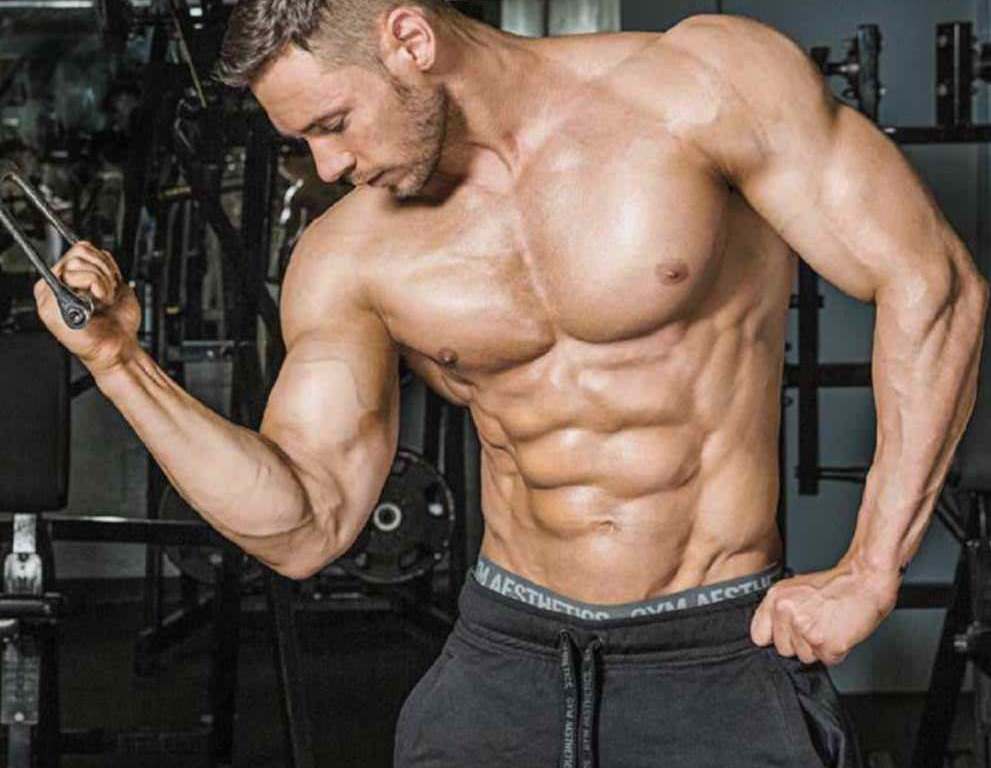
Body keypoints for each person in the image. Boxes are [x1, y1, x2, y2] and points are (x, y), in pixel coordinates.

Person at [34, 2, 989, 766]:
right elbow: (305, 524)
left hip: (716, 652)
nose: (328, 166)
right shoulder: (349, 250)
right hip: (504, 663)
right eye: (304, 142)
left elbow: (932, 282)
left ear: (409, 39)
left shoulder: (701, 86)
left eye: (332, 123)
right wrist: (121, 365)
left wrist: (870, 569)